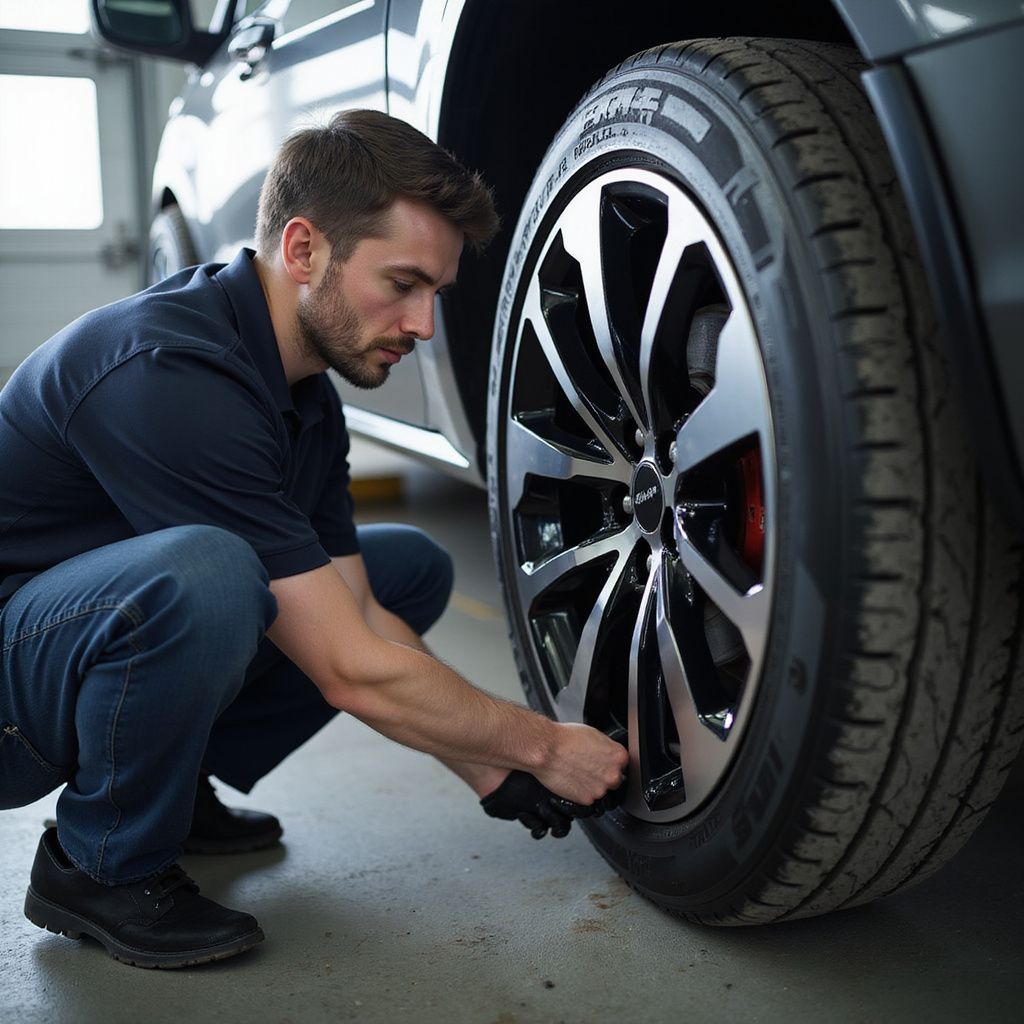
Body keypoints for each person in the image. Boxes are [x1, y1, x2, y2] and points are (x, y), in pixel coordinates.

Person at [0, 110, 628, 969]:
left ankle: (170, 792)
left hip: (79, 645)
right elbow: (345, 666)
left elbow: (363, 618)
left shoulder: (305, 396)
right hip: (11, 691)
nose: (423, 325)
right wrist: (544, 744)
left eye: (434, 295)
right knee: (207, 575)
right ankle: (98, 863)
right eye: (402, 283)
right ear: (303, 250)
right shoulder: (166, 369)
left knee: (405, 568)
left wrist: (489, 770)